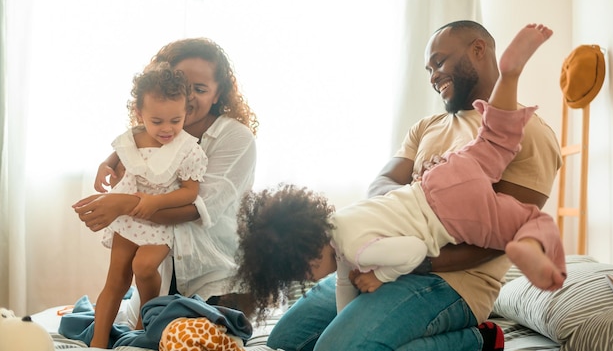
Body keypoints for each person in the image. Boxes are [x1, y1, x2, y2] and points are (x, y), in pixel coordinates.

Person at [264, 22, 563, 351]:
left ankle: (479, 339)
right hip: (384, 258)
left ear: (478, 50)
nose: (433, 75)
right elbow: (382, 182)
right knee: (286, 339)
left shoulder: (527, 132)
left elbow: (504, 233)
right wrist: (411, 209)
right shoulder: (427, 127)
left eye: (439, 62)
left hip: (450, 280)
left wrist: (418, 259)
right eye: (428, 69)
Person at [72, 38, 258, 319]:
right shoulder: (153, 136)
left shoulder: (235, 138)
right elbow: (126, 170)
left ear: (219, 94)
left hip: (214, 281)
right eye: (183, 86)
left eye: (200, 89)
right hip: (160, 280)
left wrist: (124, 205)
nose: (190, 96)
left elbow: (194, 210)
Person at [86, 63, 209, 348]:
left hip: (158, 218)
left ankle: (146, 321)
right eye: (157, 121)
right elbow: (114, 159)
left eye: (175, 120)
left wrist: (156, 202)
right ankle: (98, 341)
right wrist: (104, 167)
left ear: (185, 114)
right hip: (127, 219)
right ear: (140, 114)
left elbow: (190, 192)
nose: (167, 129)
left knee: (143, 266)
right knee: (115, 281)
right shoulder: (132, 138)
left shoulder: (188, 148)